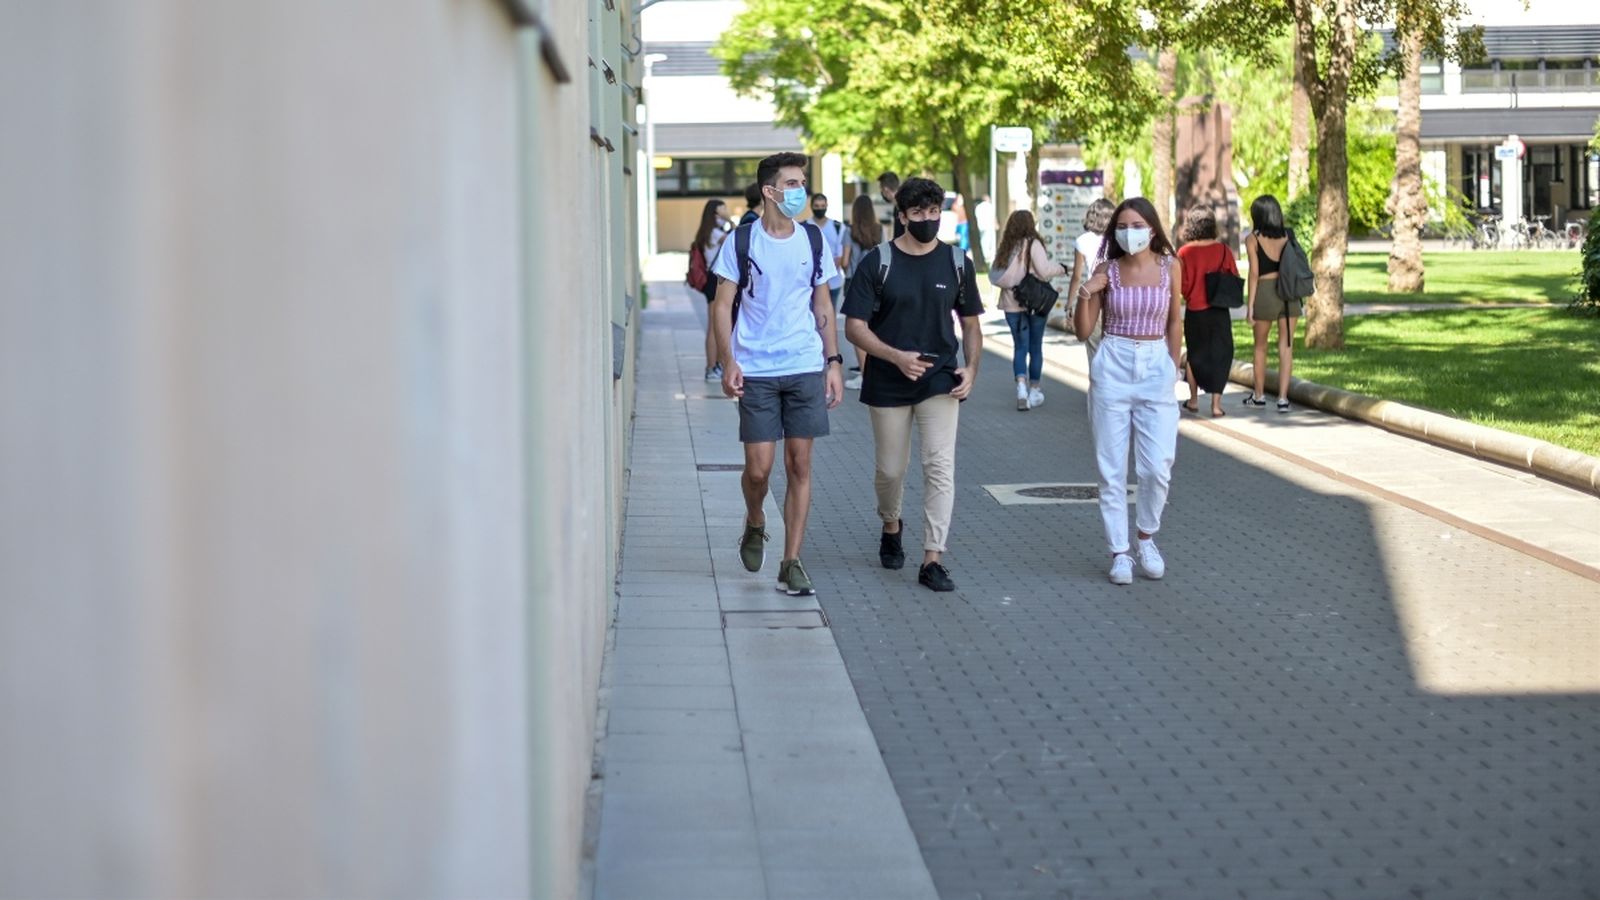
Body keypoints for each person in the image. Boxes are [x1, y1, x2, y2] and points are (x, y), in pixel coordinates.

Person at [710, 152, 846, 596]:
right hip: (757, 370)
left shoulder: (812, 239)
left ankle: (791, 561)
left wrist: (833, 362)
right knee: (758, 470)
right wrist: (729, 360)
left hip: (805, 365)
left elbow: (823, 302)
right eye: (792, 183)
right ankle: (755, 519)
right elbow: (721, 304)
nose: (800, 191)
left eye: (802, 182)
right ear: (770, 191)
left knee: (799, 464)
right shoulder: (742, 241)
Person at [842, 177, 984, 593]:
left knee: (939, 466)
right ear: (901, 216)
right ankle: (891, 524)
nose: (928, 220)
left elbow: (971, 324)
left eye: (934, 212)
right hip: (887, 378)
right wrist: (895, 357)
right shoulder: (878, 261)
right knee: (891, 469)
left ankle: (932, 558)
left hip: (940, 378)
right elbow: (854, 326)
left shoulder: (957, 262)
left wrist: (972, 369)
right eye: (918, 213)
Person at [1074, 197, 1183, 586]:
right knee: (1112, 468)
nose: (1130, 232)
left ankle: (1146, 538)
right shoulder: (1107, 270)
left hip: (1156, 363)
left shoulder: (1172, 267)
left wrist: (1171, 366)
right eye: (1123, 225)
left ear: (1152, 228)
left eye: (1138, 224)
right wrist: (1088, 291)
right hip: (1114, 362)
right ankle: (1120, 552)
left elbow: (1174, 321)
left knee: (1157, 466)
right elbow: (1083, 332)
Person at [990, 209, 1067, 411]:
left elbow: (997, 274)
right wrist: (1060, 267)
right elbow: (1044, 270)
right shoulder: (1033, 243)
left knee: (1019, 347)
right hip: (1034, 304)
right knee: (1035, 347)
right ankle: (1034, 390)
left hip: (1011, 304)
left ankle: (1021, 389)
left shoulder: (1006, 246)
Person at [1175, 205, 1238, 417]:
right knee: (1221, 354)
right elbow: (1234, 276)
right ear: (1212, 224)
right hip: (1219, 310)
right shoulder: (1223, 250)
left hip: (1195, 310)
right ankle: (1216, 405)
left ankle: (1193, 400)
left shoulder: (1184, 253)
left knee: (1195, 354)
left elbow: (1180, 284)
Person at [1243, 194, 1297, 413]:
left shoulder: (1252, 239)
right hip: (1289, 293)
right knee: (1286, 347)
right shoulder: (1289, 235)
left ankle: (1259, 396)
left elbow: (1254, 274)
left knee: (1260, 347)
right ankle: (1283, 399)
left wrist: (1250, 306)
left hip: (1265, 292)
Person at [1068, 198, 1116, 360]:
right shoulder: (1116, 239)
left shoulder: (1082, 241)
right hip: (1115, 297)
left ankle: (1097, 383)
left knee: (1094, 349)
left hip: (1092, 299)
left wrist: (1069, 304)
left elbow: (1076, 276)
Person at [842, 193, 881, 391]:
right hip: (875, 282)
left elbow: (845, 261)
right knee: (873, 328)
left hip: (854, 282)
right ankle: (875, 373)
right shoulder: (878, 229)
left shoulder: (849, 231)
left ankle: (865, 375)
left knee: (857, 329)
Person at [690, 198, 732, 381]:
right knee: (715, 326)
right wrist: (730, 220)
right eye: (722, 211)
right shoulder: (715, 233)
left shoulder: (709, 232)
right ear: (714, 214)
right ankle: (712, 367)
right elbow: (736, 238)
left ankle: (715, 366)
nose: (725, 214)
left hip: (713, 280)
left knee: (716, 325)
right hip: (715, 281)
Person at [809, 192, 848, 310]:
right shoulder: (805, 226)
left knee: (831, 314)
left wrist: (825, 276)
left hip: (834, 281)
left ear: (827, 206)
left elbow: (839, 255)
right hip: (810, 282)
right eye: (816, 206)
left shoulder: (838, 227)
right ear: (811, 206)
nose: (820, 209)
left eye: (822, 206)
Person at [877, 172, 906, 238]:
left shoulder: (901, 207)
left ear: (885, 189)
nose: (881, 193)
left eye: (881, 190)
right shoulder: (898, 206)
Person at [974, 193, 997, 263]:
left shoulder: (978, 207)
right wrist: (995, 224)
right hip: (988, 225)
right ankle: (986, 254)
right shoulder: (990, 206)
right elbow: (993, 216)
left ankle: (983, 254)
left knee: (982, 239)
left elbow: (976, 216)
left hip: (980, 225)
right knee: (987, 240)